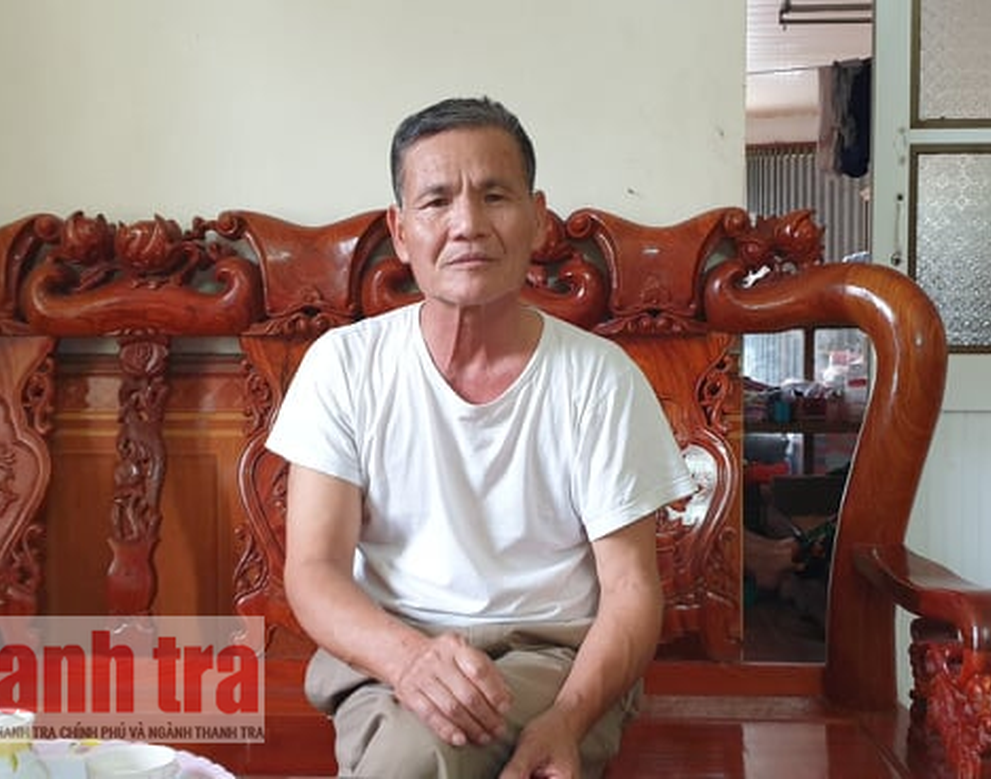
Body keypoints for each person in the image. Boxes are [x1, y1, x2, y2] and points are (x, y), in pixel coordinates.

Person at [265, 96, 698, 779]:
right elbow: (313, 569)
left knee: (416, 756)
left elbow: (631, 590)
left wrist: (569, 719)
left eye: (494, 196)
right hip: (386, 651)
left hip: (556, 660)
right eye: (436, 201)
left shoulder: (598, 378)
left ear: (537, 218)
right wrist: (410, 661)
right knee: (414, 748)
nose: (467, 224)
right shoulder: (343, 366)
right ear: (400, 231)